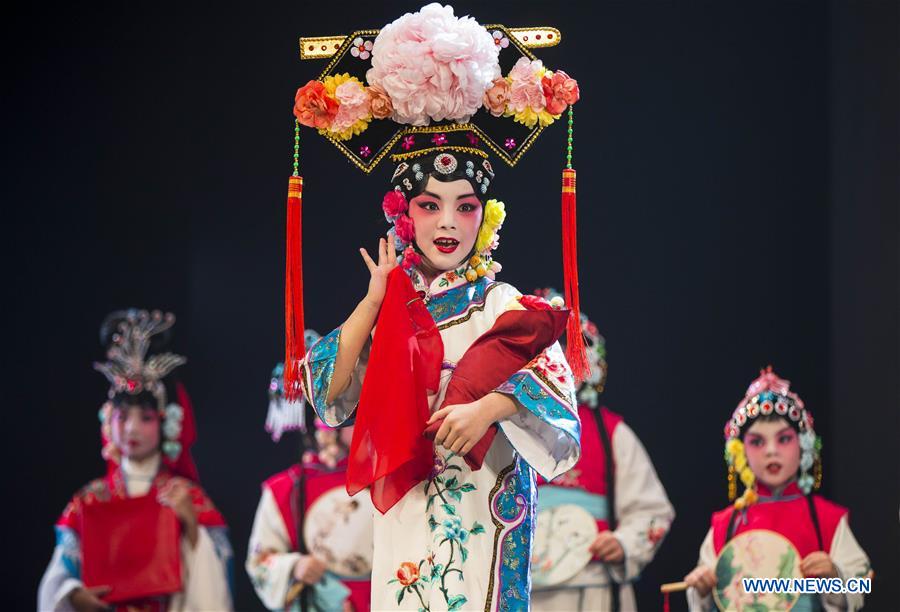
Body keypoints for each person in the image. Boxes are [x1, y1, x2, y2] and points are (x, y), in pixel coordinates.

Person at [286, 5, 586, 609]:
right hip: (408, 518)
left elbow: (559, 390)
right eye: (429, 205)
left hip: (485, 503)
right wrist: (374, 300)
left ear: (485, 215)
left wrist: (489, 409)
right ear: (404, 214)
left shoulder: (504, 304)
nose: (448, 222)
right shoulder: (390, 311)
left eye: (465, 205)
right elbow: (327, 390)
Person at [38, 309, 233, 612]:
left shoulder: (188, 497)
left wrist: (191, 525)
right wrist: (74, 596)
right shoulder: (89, 500)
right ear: (107, 422)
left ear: (166, 424)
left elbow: (216, 581)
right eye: (122, 416)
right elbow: (58, 577)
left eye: (145, 418)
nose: (131, 429)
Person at [531, 290, 674, 611]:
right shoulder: (507, 426)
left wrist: (623, 543)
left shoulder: (613, 433)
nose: (558, 359)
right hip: (520, 589)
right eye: (546, 348)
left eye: (568, 349)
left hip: (592, 585)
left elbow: (652, 511)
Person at [684, 367, 871, 611]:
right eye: (757, 442)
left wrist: (834, 576)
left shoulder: (826, 519)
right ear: (740, 451)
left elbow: (862, 584)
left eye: (783, 439)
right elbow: (702, 598)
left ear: (803, 444)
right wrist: (701, 586)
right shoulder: (726, 524)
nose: (771, 451)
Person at [247, 353, 372, 612]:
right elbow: (259, 562)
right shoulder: (287, 488)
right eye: (354, 414)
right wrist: (294, 566)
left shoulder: (386, 478)